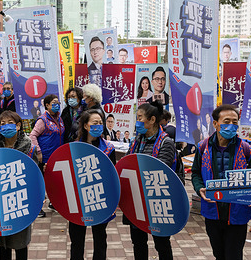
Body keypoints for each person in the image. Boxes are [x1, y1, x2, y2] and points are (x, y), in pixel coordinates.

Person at [191, 104, 251, 260]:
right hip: (212, 212)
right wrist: (200, 188)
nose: (231, 126)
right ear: (215, 123)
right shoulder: (203, 147)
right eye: (227, 121)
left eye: (235, 122)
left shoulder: (246, 149)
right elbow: (195, 173)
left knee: (233, 255)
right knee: (218, 254)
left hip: (237, 213)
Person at [124, 101, 176, 259]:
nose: (137, 121)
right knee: (138, 243)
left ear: (152, 120)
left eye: (140, 117)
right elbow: (127, 164)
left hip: (157, 201)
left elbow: (160, 171)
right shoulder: (136, 141)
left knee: (161, 243)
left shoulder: (166, 143)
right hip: (137, 200)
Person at [69, 109, 116, 260]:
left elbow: (112, 175)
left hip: (100, 199)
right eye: (95, 123)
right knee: (77, 241)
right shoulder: (73, 148)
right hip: (79, 200)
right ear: (86, 126)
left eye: (100, 123)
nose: (98, 126)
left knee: (100, 238)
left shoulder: (108, 148)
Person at [0, 110, 38, 260]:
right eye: (2, 124)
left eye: (10, 123)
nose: (6, 127)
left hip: (21, 198)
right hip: (1, 197)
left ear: (18, 126)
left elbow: (34, 174)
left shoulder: (29, 147)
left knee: (20, 241)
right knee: (3, 239)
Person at [30, 94, 64, 216]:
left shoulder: (59, 119)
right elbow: (32, 136)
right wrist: (38, 151)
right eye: (53, 103)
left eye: (57, 103)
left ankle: (53, 203)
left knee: (55, 181)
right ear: (47, 105)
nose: (56, 105)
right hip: (45, 156)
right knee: (40, 183)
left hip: (56, 156)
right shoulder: (42, 120)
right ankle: (37, 208)